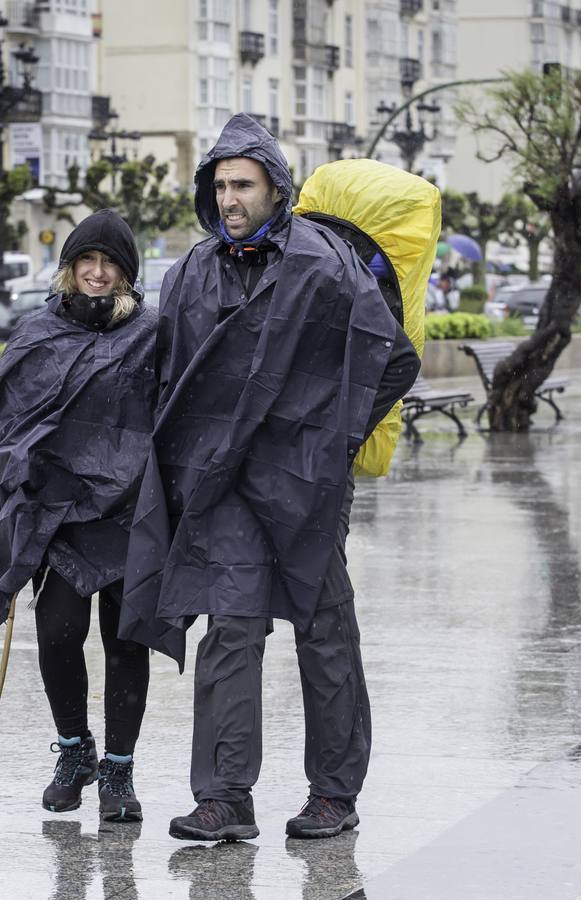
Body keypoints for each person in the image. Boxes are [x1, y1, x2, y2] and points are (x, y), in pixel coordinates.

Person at [119, 114, 421, 842]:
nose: (230, 198)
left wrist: (326, 441)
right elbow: (165, 372)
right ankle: (224, 796)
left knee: (323, 631)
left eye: (243, 184)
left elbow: (392, 358)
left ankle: (334, 794)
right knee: (231, 627)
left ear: (276, 188)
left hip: (306, 485)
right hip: (223, 489)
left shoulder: (324, 262)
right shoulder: (193, 271)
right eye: (220, 185)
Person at [0, 210, 162, 822]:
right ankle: (75, 751)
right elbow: (3, 420)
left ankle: (119, 771)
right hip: (59, 515)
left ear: (126, 272)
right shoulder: (37, 331)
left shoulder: (152, 333)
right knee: (60, 632)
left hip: (126, 514)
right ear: (69, 269)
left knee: (126, 640)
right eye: (86, 261)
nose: (97, 273)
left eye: (109, 262)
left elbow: (174, 414)